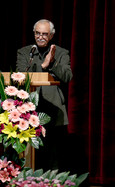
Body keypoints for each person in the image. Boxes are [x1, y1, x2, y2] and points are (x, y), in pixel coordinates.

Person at [16, 19, 73, 170]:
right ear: (34, 34)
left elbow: (67, 76)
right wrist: (42, 67)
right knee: (31, 153)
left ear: (51, 35)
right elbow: (20, 76)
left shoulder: (61, 53)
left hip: (53, 108)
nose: (40, 37)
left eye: (45, 34)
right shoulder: (25, 52)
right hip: (29, 109)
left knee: (52, 156)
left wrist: (52, 63)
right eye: (38, 33)